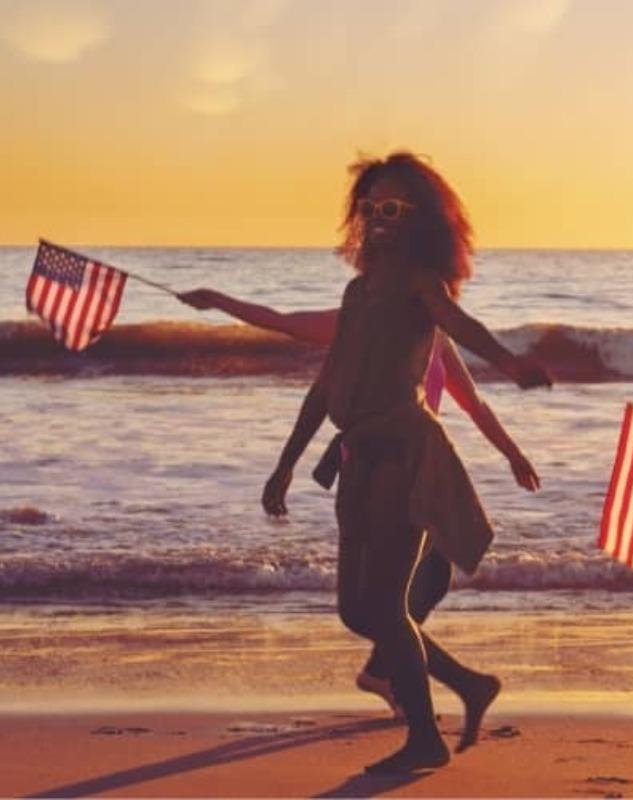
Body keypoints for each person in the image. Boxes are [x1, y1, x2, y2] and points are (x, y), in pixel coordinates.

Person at [205, 152, 549, 774]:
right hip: (356, 460)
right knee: (357, 612)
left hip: (404, 457)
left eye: (393, 208)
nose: (379, 218)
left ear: (418, 220)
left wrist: (512, 363)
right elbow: (326, 383)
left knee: (387, 607)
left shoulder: (421, 285)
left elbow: (461, 326)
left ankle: (424, 739)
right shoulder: (357, 290)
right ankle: (469, 686)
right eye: (370, 207)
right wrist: (285, 464)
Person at [177, 292, 542, 715]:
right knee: (373, 605)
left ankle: (388, 673)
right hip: (373, 477)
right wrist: (217, 301)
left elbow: (475, 405)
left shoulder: (435, 333)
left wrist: (514, 454)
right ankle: (435, 683)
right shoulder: (359, 318)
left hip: (421, 469)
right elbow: (284, 321)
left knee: (429, 580)